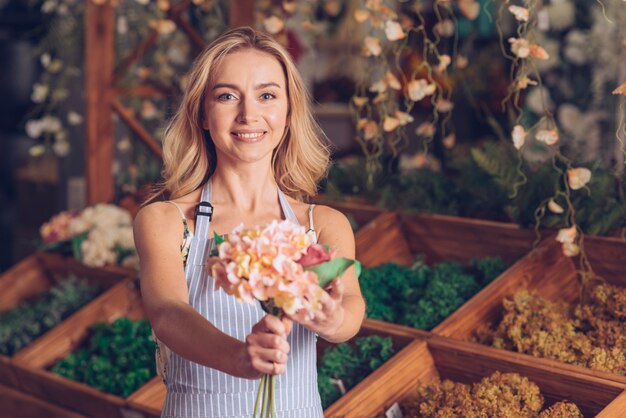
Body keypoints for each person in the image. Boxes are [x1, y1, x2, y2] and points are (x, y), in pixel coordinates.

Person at [133, 27, 365, 418]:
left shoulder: (321, 224)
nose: (248, 114)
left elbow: (352, 307)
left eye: (267, 95)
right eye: (227, 96)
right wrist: (239, 357)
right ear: (203, 114)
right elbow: (168, 312)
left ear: (289, 113)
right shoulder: (166, 221)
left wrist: (332, 317)